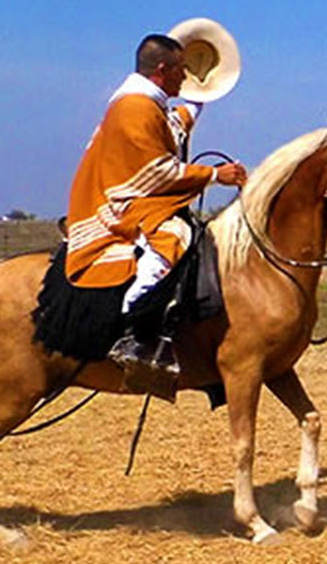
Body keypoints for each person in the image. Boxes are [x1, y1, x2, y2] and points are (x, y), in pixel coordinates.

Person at [64, 32, 245, 393]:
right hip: (118, 204)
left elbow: (171, 129)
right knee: (173, 237)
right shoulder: (134, 107)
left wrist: (200, 99)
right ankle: (136, 326)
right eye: (181, 70)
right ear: (162, 70)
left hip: (134, 195)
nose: (185, 77)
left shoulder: (146, 104)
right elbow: (157, 169)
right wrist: (214, 175)